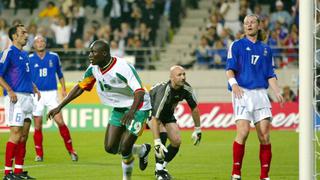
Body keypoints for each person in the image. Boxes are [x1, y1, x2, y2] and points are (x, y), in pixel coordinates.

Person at [47, 40, 151, 180]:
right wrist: (59, 107)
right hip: (120, 107)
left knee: (125, 147)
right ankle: (142, 150)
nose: (90, 55)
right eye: (90, 52)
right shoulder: (93, 68)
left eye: (93, 52)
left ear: (104, 53)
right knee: (110, 148)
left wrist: (132, 111)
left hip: (138, 106)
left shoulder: (122, 67)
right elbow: (80, 87)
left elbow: (139, 92)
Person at [226, 14, 284, 180]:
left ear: (258, 25)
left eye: (252, 22)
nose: (249, 25)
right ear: (243, 27)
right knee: (243, 132)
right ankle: (236, 173)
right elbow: (229, 68)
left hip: (260, 94)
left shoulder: (266, 49)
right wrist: (234, 84)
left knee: (264, 135)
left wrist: (277, 91)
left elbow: (270, 74)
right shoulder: (236, 46)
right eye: (246, 23)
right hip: (242, 92)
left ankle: (264, 176)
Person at [29, 35, 78, 162]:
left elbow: (60, 74)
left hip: (51, 94)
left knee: (60, 121)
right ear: (34, 45)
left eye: (42, 41)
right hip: (37, 95)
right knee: (38, 125)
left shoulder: (54, 56)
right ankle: (39, 154)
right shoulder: (29, 59)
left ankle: (71, 150)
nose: (40, 43)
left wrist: (63, 88)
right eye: (37, 42)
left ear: (45, 43)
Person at [0, 24, 40, 180]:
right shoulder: (8, 53)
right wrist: (9, 90)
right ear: (14, 36)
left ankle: (18, 171)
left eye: (26, 32)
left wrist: (33, 86)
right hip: (15, 97)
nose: (26, 35)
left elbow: (24, 75)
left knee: (24, 136)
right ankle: (7, 173)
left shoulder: (25, 55)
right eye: (23, 33)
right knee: (15, 134)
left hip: (28, 97)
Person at [148, 65, 202, 180]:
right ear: (171, 78)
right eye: (179, 75)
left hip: (167, 114)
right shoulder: (164, 91)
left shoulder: (186, 89)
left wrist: (197, 129)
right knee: (162, 134)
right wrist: (157, 142)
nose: (183, 77)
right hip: (150, 111)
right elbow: (155, 118)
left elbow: (194, 108)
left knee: (176, 142)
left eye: (184, 74)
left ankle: (162, 167)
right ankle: (159, 172)